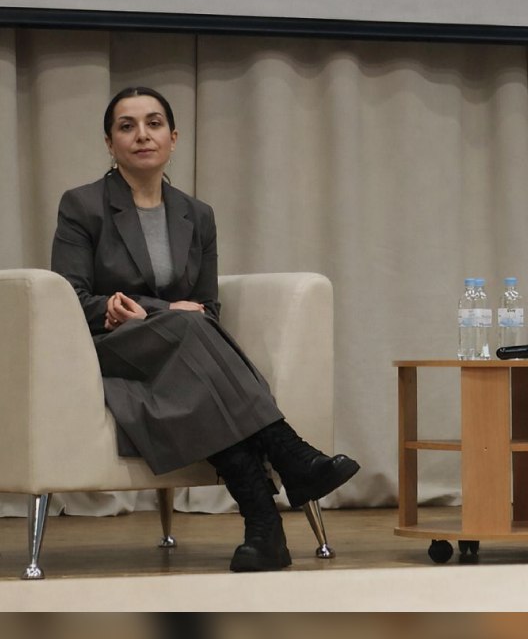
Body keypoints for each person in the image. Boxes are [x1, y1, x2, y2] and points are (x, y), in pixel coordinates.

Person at [51, 86, 359, 572]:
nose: (142, 135)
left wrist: (169, 314)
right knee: (191, 334)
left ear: (173, 138)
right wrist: (147, 310)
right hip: (114, 352)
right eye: (127, 126)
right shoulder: (82, 206)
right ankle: (291, 456)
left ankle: (264, 529)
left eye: (154, 124)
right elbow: (69, 296)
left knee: (196, 352)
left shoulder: (197, 214)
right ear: (110, 143)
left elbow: (206, 308)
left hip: (179, 356)